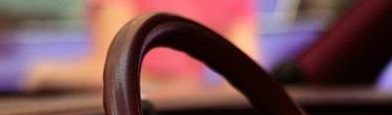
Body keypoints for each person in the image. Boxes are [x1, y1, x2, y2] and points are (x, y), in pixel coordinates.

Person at [26, 0, 258, 93]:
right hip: (163, 113)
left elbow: (113, 72)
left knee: (40, 75)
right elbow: (246, 80)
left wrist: (42, 75)